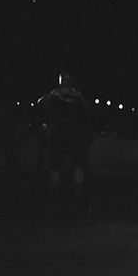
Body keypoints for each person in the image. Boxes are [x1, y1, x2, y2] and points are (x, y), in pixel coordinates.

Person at [37, 73, 92, 212]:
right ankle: (76, 199)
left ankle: (54, 199)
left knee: (56, 167)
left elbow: (40, 103)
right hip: (74, 135)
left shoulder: (56, 94)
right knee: (76, 167)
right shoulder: (76, 95)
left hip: (60, 134)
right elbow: (89, 109)